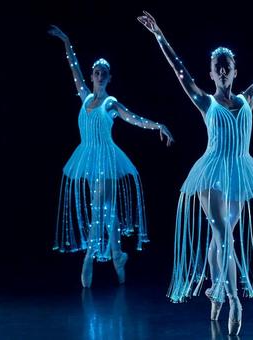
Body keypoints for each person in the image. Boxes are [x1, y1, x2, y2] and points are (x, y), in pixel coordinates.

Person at [138, 11, 253, 336]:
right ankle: (233, 299)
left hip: (239, 173)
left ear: (235, 71)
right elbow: (180, 71)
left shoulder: (248, 99)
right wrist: (159, 33)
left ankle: (215, 289)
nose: (224, 70)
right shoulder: (205, 102)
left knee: (221, 238)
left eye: (228, 65)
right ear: (213, 73)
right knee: (223, 234)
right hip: (212, 173)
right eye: (219, 67)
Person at [49, 25, 174, 288]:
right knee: (108, 211)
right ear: (92, 76)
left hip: (106, 159)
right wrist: (67, 41)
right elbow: (73, 69)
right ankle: (118, 255)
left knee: (99, 208)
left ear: (109, 78)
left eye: (104, 74)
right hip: (88, 157)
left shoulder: (110, 103)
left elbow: (133, 118)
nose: (99, 76)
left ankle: (88, 259)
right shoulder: (85, 98)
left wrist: (157, 125)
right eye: (96, 73)